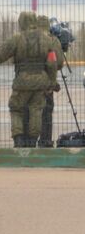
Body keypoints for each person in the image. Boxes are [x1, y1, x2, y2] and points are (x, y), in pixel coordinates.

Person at [0, 11, 60, 147]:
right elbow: (52, 63)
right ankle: (32, 142)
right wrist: (52, 83)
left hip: (22, 82)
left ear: (22, 22)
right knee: (36, 110)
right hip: (40, 83)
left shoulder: (17, 38)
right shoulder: (47, 39)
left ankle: (18, 139)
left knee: (16, 109)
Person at [36, 15, 66, 147]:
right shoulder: (53, 40)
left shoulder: (26, 39)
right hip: (47, 82)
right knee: (46, 113)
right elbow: (59, 63)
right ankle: (45, 142)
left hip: (28, 83)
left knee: (29, 112)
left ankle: (27, 142)